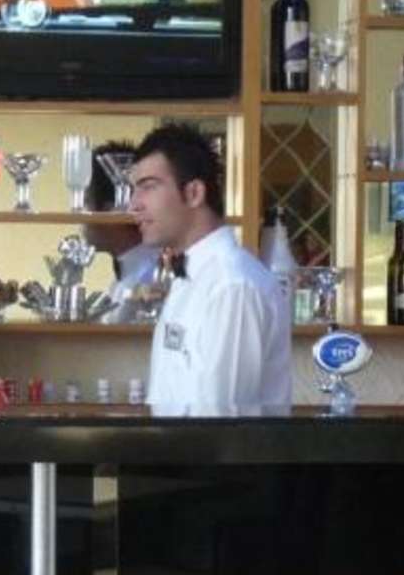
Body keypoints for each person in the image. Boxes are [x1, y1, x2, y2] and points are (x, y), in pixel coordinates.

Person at [129, 122, 291, 416]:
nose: (134, 205)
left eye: (148, 187)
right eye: (134, 190)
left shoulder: (232, 286)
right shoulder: (193, 275)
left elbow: (222, 425)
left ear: (194, 193)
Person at [84, 137, 163, 324]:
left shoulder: (150, 281)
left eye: (86, 204)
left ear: (113, 211)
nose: (80, 218)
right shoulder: (129, 276)